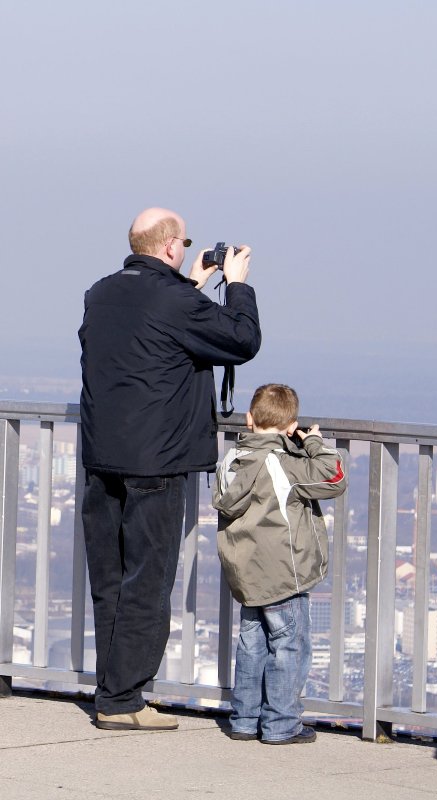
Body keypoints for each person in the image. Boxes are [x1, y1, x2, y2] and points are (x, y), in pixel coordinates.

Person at [78, 207, 261, 731]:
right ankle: (122, 702)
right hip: (156, 461)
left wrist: (193, 281)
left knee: (110, 580)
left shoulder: (101, 292)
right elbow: (242, 341)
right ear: (169, 246)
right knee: (147, 581)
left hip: (101, 456)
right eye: (185, 240)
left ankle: (111, 690)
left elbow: (156, 327)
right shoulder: (176, 298)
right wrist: (238, 285)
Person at [213, 383, 346, 744]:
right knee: (289, 647)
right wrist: (313, 442)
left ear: (249, 419)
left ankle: (244, 719)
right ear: (291, 426)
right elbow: (333, 477)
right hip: (283, 573)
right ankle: (280, 724)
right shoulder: (284, 465)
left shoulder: (231, 461)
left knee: (252, 644)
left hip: (246, 572)